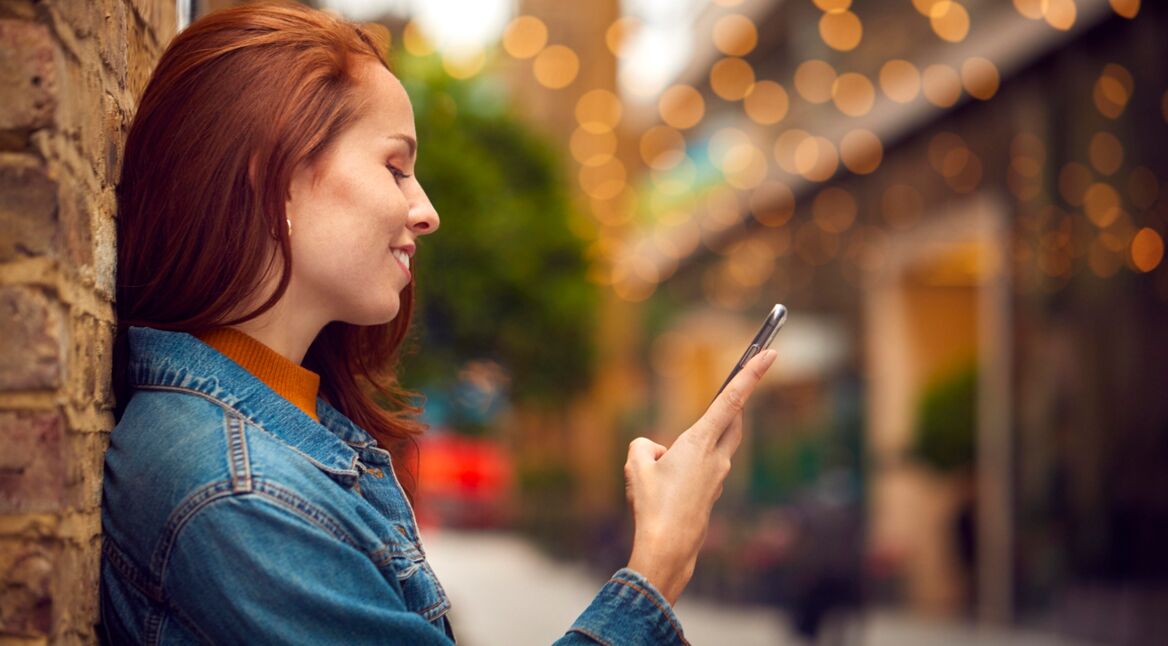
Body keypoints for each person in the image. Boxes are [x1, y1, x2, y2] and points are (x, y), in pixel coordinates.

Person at [100, 3, 777, 644]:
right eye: (395, 167)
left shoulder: (274, 435)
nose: (427, 212)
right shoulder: (241, 496)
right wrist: (658, 562)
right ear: (273, 180)